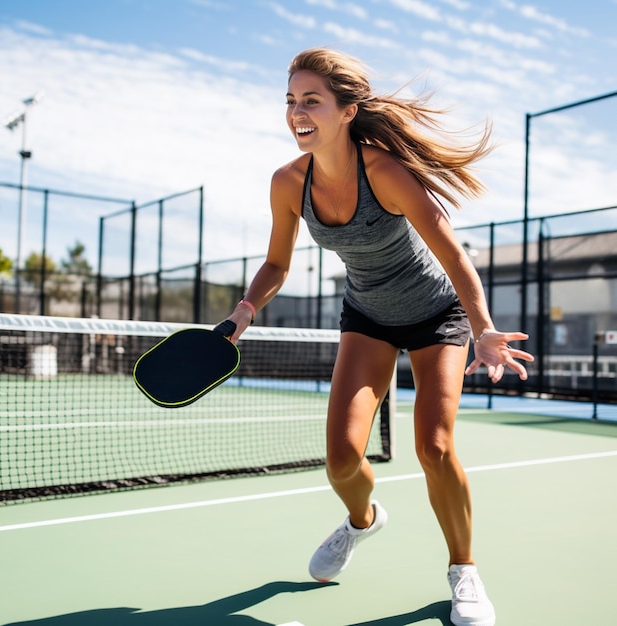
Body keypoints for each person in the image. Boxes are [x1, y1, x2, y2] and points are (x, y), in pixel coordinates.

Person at [225, 47, 534, 626]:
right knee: (341, 459)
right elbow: (275, 265)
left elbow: (453, 257)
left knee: (434, 448)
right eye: (290, 101)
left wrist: (484, 329)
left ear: (347, 110)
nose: (297, 112)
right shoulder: (288, 183)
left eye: (311, 100)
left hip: (435, 315)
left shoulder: (386, 172)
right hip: (367, 316)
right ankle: (362, 522)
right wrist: (243, 312)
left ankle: (464, 571)